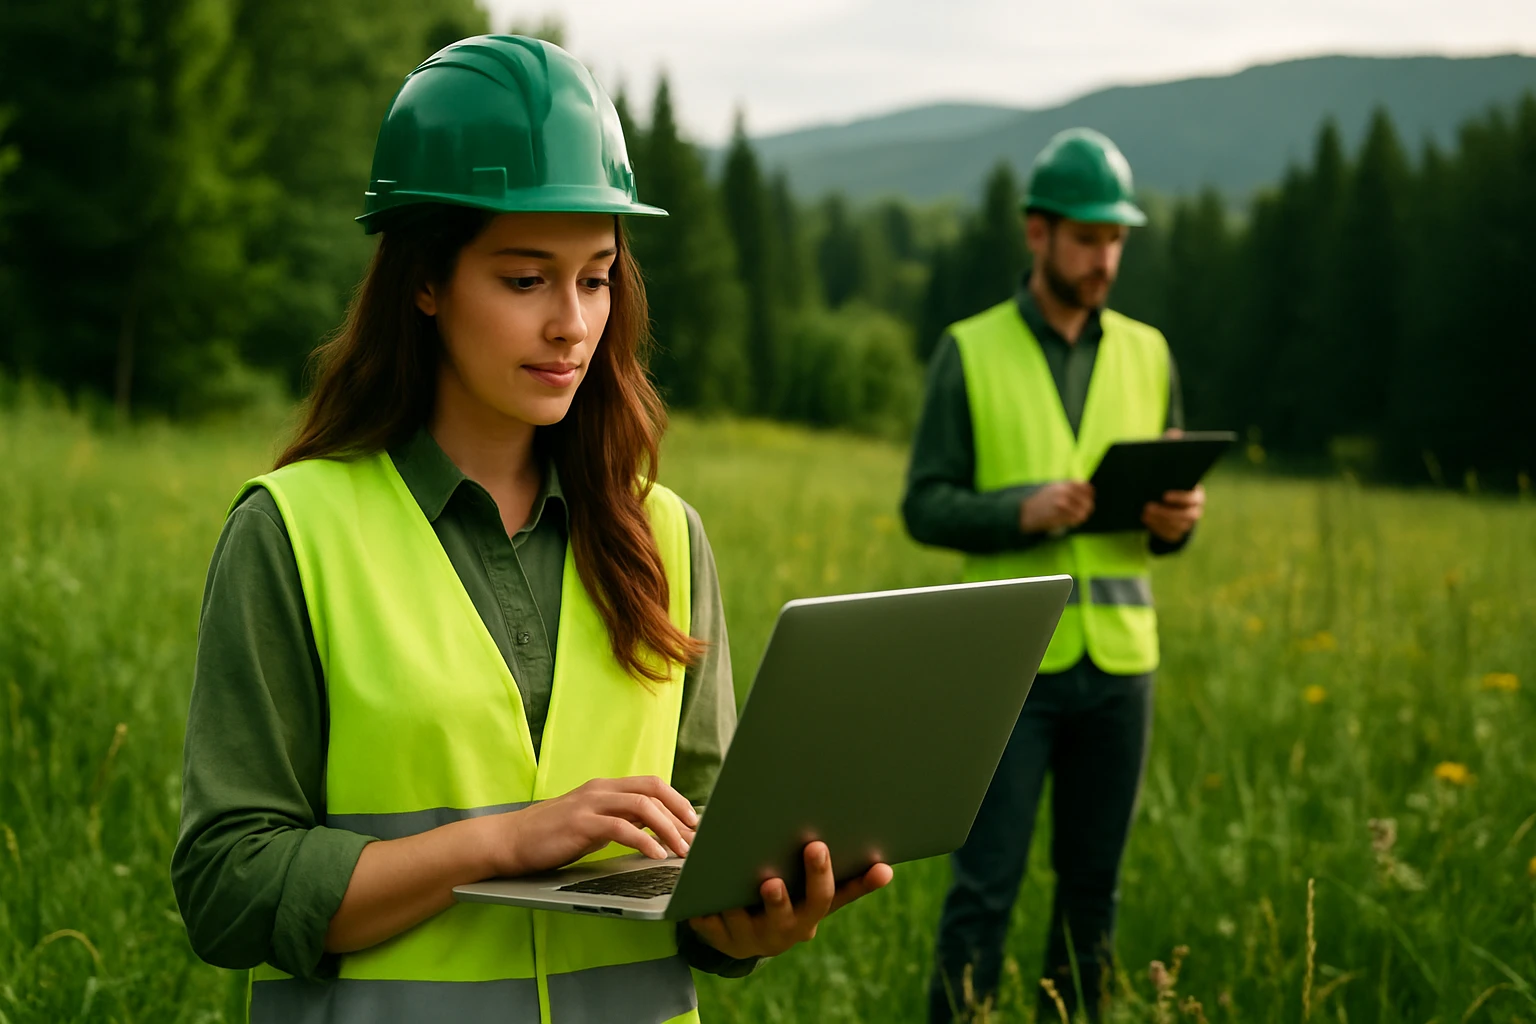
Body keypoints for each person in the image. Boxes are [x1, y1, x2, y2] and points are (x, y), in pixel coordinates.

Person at [171, 36, 891, 1024]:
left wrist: (747, 922)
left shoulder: (668, 538)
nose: (572, 324)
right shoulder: (292, 534)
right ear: (426, 281)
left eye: (595, 277)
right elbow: (226, 888)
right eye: (525, 280)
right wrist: (507, 840)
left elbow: (697, 863)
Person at [904, 128, 1205, 1022]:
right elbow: (924, 505)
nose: (1103, 257)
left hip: (1120, 670)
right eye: (1085, 238)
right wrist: (1018, 511)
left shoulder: (1150, 354)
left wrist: (1178, 523)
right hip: (1007, 667)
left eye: (1115, 239)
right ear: (1037, 234)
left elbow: (1169, 519)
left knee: (1093, 897)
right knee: (983, 892)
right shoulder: (969, 350)